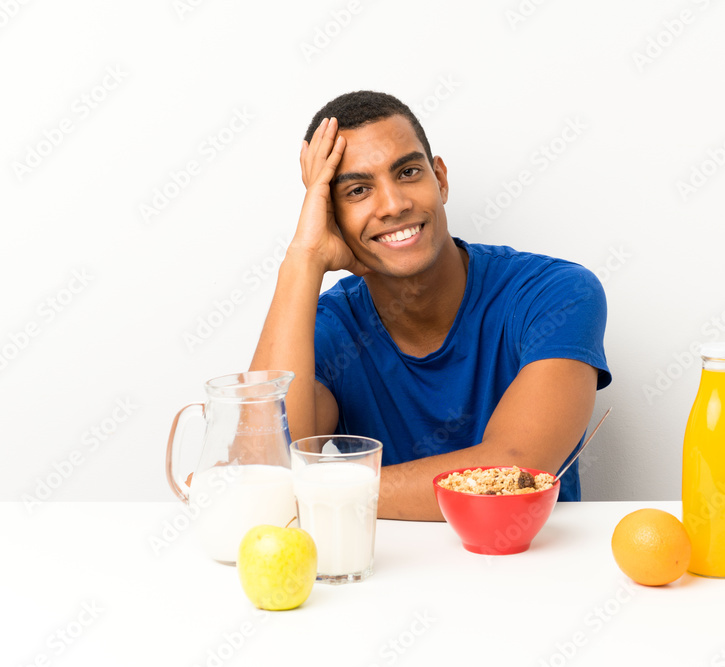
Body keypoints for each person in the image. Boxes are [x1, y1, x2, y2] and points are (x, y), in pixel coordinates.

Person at [250, 91, 611, 521]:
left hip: (529, 570)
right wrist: (302, 259)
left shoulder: (557, 294)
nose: (394, 204)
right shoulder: (330, 330)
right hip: (383, 576)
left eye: (407, 172)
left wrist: (315, 489)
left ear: (439, 178)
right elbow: (263, 472)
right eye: (358, 190)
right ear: (331, 216)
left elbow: (514, 470)